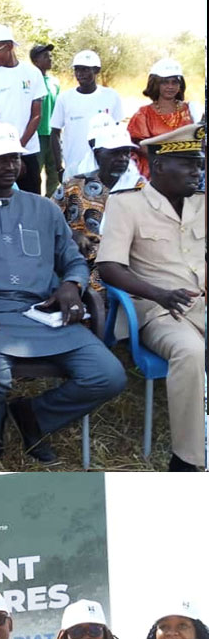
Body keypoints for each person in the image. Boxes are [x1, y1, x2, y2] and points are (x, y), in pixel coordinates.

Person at [0, 122, 128, 464]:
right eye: (0, 159)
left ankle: (33, 415)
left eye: (16, 159)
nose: (10, 166)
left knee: (108, 375)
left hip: (44, 313)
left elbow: (74, 260)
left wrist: (72, 285)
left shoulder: (45, 208)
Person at [96, 124, 207, 472]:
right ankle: (188, 460)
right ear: (159, 166)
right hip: (160, 312)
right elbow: (110, 267)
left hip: (202, 305)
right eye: (189, 163)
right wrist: (159, 294)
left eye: (199, 163)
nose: (197, 170)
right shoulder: (127, 204)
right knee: (190, 351)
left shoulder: (202, 203)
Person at [52, 122, 143, 293]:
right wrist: (72, 233)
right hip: (80, 262)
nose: (123, 159)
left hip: (126, 264)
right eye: (115, 153)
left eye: (126, 153)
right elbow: (47, 217)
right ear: (98, 154)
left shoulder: (140, 189)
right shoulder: (75, 185)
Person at [0, 26, 47, 194]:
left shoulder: (32, 73)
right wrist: (6, 153)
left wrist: (18, 150)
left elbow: (36, 115)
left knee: (31, 201)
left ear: (9, 46)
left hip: (27, 150)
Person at [50, 52, 124, 178]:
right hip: (74, 168)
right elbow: (55, 133)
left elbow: (117, 132)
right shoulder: (64, 98)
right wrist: (59, 167)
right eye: (77, 69)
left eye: (85, 69)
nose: (80, 74)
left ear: (96, 70)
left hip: (104, 168)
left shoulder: (111, 96)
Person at [127, 59, 195, 178]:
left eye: (174, 82)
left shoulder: (192, 110)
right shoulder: (143, 113)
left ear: (180, 85)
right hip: (155, 173)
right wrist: (168, 164)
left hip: (186, 172)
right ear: (155, 84)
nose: (170, 86)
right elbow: (140, 145)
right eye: (165, 82)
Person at [31, 45, 63, 191]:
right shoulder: (30, 81)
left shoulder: (54, 82)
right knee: (35, 173)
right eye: (45, 56)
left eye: (50, 56)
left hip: (53, 134)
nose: (50, 59)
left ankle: (52, 203)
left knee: (55, 171)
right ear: (36, 61)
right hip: (36, 135)